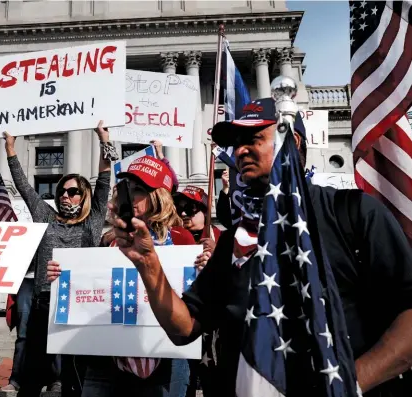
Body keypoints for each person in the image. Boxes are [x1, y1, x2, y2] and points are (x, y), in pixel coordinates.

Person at [110, 98, 412, 396]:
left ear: (291, 141)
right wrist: (148, 264)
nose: (239, 151)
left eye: (253, 139)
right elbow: (184, 327)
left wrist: (347, 384)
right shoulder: (235, 240)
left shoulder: (353, 213)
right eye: (236, 143)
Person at [48, 154, 195, 397]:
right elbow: (90, 289)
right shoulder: (110, 241)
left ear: (159, 197)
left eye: (139, 190)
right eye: (126, 189)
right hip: (109, 359)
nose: (130, 197)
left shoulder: (182, 240)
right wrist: (62, 277)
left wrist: (203, 267)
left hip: (166, 356)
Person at [4, 121, 115, 396]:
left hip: (80, 303)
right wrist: (10, 149)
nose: (65, 195)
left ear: (83, 195)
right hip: (45, 301)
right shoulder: (44, 216)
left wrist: (104, 140)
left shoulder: (93, 221)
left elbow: (104, 179)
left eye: (73, 191)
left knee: (73, 374)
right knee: (32, 374)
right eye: (62, 191)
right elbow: (23, 186)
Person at [172, 185, 225, 397]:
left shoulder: (222, 239)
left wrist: (217, 258)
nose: (183, 213)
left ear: (205, 210)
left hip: (212, 333)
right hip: (181, 327)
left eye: (191, 208)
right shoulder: (171, 238)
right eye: (180, 207)